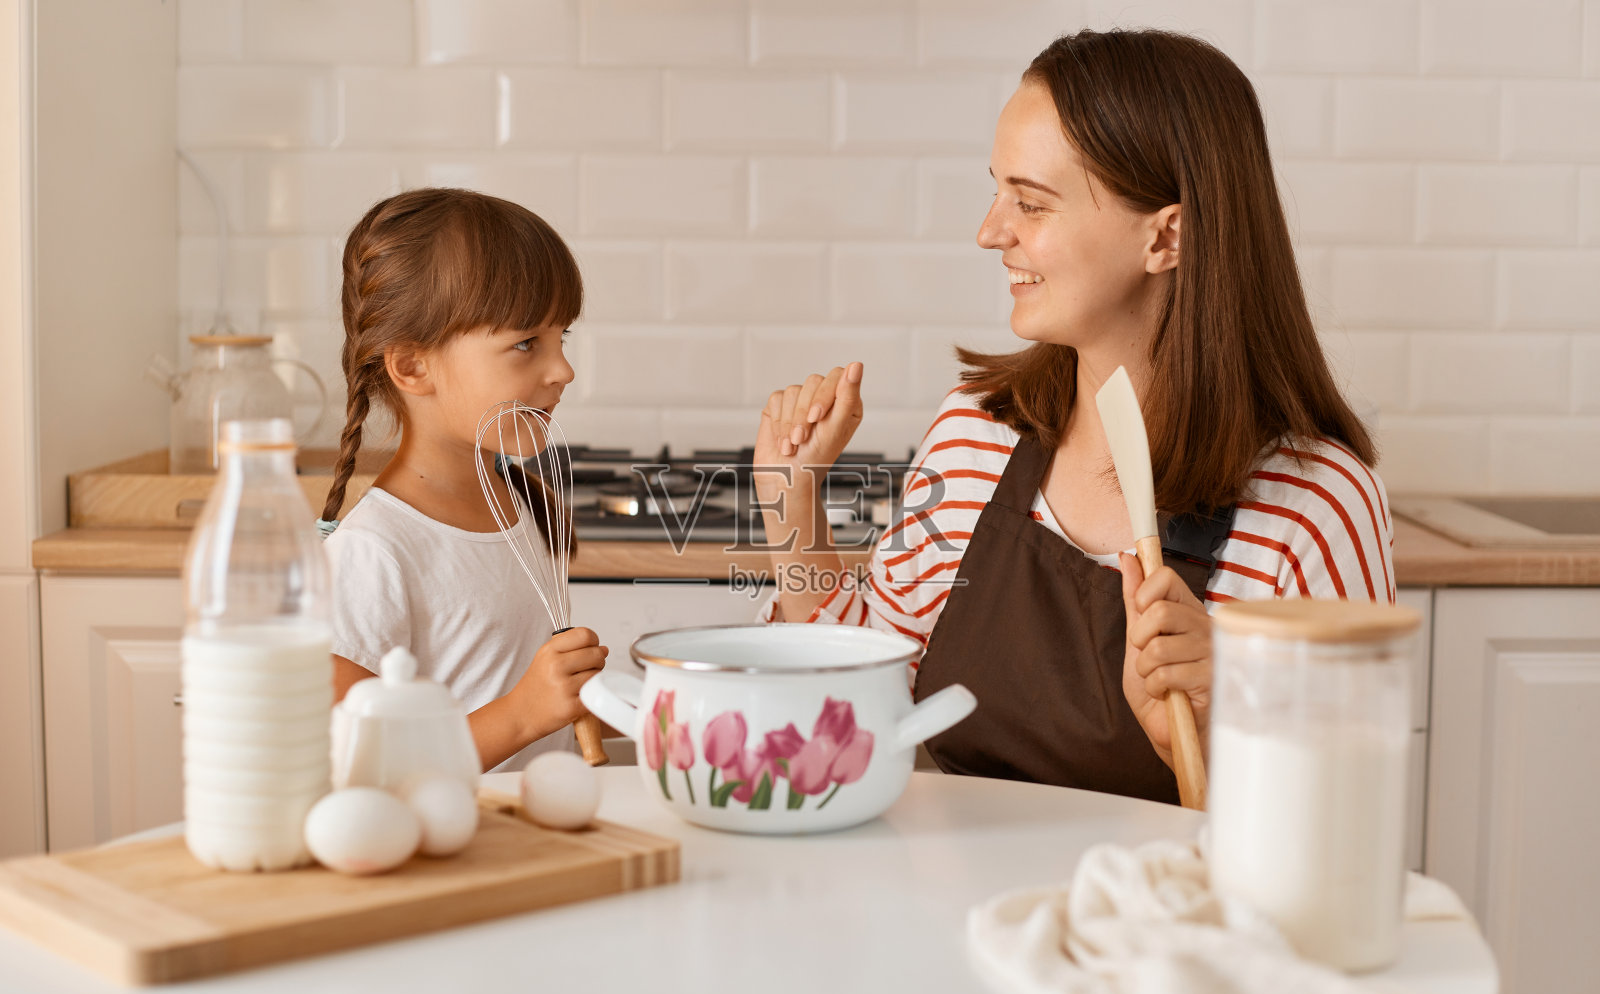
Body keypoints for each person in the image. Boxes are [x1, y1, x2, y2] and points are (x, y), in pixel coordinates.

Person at [753, 29, 1394, 804]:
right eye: (998, 192)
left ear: (1167, 235)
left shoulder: (1314, 508)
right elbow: (858, 712)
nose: (991, 232)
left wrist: (1216, 726)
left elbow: (1347, 821)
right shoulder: (974, 436)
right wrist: (791, 506)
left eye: (1030, 202)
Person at [320, 188, 607, 772]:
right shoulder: (373, 553)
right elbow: (359, 760)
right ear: (413, 366)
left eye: (562, 339)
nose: (563, 370)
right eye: (525, 343)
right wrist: (523, 714)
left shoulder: (515, 502)